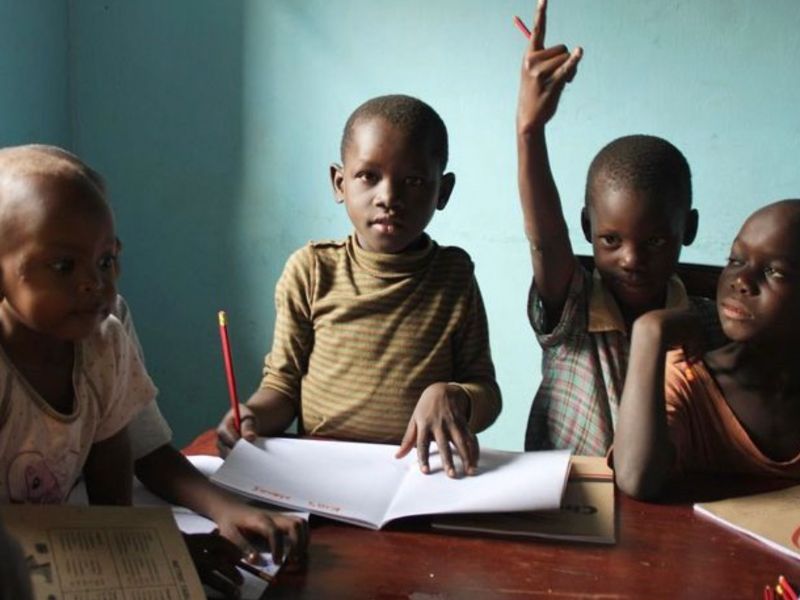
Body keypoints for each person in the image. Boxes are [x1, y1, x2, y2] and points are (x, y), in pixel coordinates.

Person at [218, 94, 501, 477]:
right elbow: (283, 387)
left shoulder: (453, 276)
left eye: (414, 181)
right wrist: (250, 416)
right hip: (321, 471)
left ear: (443, 191)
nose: (388, 198)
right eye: (368, 176)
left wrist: (454, 395)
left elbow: (487, 393)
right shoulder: (312, 271)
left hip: (421, 474)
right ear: (339, 183)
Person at [516, 0, 723, 455]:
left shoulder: (707, 323)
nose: (631, 259)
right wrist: (529, 131)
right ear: (588, 228)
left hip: (668, 507)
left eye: (653, 240)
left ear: (687, 229)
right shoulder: (572, 306)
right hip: (569, 504)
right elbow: (546, 238)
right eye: (611, 240)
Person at [614, 200, 800, 499]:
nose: (741, 281)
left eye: (774, 272)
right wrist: (648, 333)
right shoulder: (690, 379)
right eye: (735, 260)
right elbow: (636, 479)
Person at [0, 144, 154, 505]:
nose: (95, 283)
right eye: (62, 266)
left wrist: (145, 553)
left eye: (105, 260)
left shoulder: (104, 344)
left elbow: (113, 488)